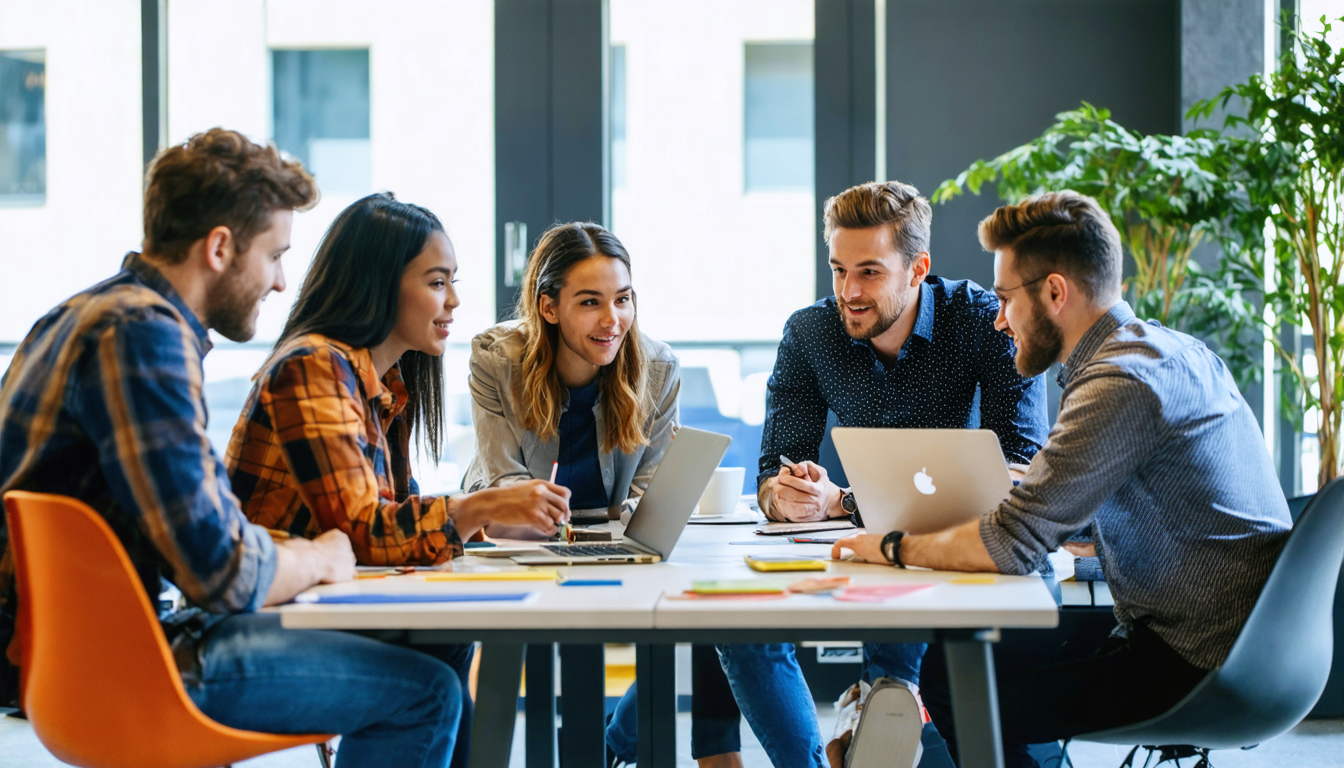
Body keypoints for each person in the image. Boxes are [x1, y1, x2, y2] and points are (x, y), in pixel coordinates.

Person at [0, 129, 466, 766]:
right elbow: (221, 571)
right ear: (220, 248)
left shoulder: (77, 314)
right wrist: (323, 556)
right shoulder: (144, 337)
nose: (280, 285)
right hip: (124, 663)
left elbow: (206, 534)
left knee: (437, 655)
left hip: (64, 651)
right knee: (429, 693)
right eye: (274, 256)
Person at [832, 191, 1292, 768]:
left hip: (1197, 661)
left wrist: (889, 546)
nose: (999, 321)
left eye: (1005, 300)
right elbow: (1171, 511)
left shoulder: (1117, 382)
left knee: (960, 681)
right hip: (1250, 644)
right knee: (977, 662)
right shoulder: (1168, 351)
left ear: (1054, 292)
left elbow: (1010, 547)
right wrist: (1051, 502)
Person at [225, 192, 572, 767]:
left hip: (312, 606)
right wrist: (481, 507)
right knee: (432, 685)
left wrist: (490, 522)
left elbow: (389, 520)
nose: (455, 301)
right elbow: (366, 532)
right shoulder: (314, 366)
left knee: (449, 639)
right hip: (265, 619)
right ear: (379, 283)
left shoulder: (384, 387)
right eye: (438, 282)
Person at [717, 180, 1048, 766]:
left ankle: (878, 705)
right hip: (861, 551)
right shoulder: (811, 332)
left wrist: (843, 500)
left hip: (968, 551)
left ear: (917, 268)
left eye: (869, 272)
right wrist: (783, 494)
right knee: (737, 630)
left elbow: (1019, 472)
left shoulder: (983, 322)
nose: (848, 291)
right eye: (838, 269)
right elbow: (774, 472)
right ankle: (854, 730)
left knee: (911, 615)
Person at [462, 222, 742, 768]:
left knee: (715, 608)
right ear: (548, 307)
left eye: (623, 299)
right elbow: (504, 481)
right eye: (590, 302)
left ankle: (642, 749)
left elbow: (648, 490)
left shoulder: (657, 369)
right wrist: (537, 516)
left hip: (613, 534)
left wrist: (641, 518)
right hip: (515, 532)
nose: (612, 320)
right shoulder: (495, 359)